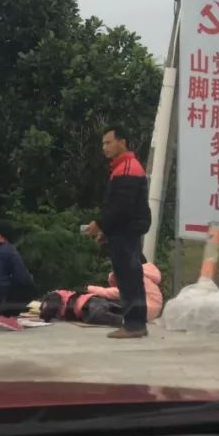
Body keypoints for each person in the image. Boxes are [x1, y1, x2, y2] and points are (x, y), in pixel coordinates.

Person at [84, 126, 151, 339]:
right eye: (103, 143)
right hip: (122, 231)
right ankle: (135, 323)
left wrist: (100, 224)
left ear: (122, 142)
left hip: (126, 231)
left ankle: (133, 325)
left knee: (129, 278)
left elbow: (122, 207)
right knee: (129, 277)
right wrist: (107, 230)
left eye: (108, 142)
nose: (105, 147)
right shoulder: (122, 167)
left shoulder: (128, 168)